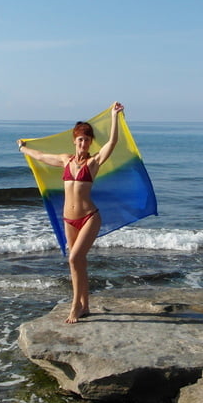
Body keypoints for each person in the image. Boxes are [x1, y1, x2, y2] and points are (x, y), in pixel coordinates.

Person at [18, 102, 124, 323]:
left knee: (75, 258)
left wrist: (114, 116)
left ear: (90, 142)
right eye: (80, 139)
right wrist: (23, 148)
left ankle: (75, 305)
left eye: (87, 140)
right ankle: (85, 305)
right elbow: (41, 156)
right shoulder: (66, 160)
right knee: (78, 262)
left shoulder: (94, 162)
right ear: (75, 141)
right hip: (69, 219)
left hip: (89, 217)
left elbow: (112, 142)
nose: (83, 143)